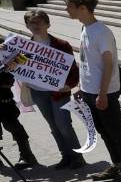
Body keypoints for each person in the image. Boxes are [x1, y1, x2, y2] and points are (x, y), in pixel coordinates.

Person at [63, 0, 121, 182]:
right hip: (90, 90)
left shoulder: (102, 32)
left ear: (83, 8)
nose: (66, 10)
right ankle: (117, 164)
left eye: (69, 6)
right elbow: (86, 61)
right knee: (104, 131)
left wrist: (103, 93)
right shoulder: (85, 28)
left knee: (116, 131)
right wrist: (81, 86)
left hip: (104, 92)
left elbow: (109, 64)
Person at [20, 10, 83, 169]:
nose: (36, 26)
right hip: (37, 91)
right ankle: (65, 156)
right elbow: (17, 66)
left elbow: (73, 70)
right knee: (53, 126)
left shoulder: (61, 45)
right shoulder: (25, 48)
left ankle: (77, 157)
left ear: (47, 24)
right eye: (32, 23)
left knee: (63, 125)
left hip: (59, 92)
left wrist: (70, 85)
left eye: (39, 22)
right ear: (27, 26)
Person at [0, 59, 36, 169]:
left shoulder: (3, 48)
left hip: (4, 101)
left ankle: (27, 156)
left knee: (14, 127)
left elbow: (22, 57)